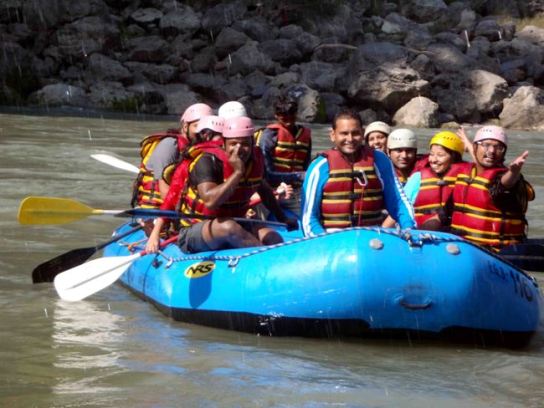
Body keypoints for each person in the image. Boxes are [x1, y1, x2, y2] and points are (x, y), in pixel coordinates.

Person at [145, 116, 297, 254]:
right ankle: (264, 260)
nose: (238, 150)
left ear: (252, 143)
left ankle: (271, 261)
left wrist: (282, 218)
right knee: (228, 227)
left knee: (272, 237)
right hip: (194, 229)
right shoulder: (207, 162)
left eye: (244, 144)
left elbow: (262, 188)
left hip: (237, 222)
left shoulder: (255, 160)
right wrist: (237, 173)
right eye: (233, 144)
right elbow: (210, 202)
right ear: (224, 143)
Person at [301, 109, 415, 237]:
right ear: (333, 135)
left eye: (355, 133)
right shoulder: (319, 167)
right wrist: (321, 243)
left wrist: (408, 228)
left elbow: (398, 202)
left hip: (373, 239)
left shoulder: (380, 160)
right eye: (344, 133)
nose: (350, 139)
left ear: (362, 133)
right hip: (331, 241)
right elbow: (308, 217)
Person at [450, 125, 535, 249]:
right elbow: (480, 158)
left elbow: (503, 185)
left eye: (498, 147)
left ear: (504, 152)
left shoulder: (502, 176)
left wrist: (513, 172)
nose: (491, 151)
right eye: (486, 145)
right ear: (475, 147)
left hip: (496, 252)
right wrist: (467, 142)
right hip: (463, 245)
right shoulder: (468, 172)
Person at [131, 103, 213, 208]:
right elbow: (164, 191)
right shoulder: (169, 145)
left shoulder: (196, 150)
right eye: (197, 126)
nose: (203, 133)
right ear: (185, 126)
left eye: (206, 129)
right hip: (155, 210)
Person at [395, 131, 466, 230]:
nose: (433, 160)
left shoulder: (465, 179)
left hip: (454, 238)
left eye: (440, 155)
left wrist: (470, 147)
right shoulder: (418, 178)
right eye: (431, 154)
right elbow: (399, 209)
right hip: (421, 236)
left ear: (454, 157)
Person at [255, 95, 312, 213]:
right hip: (274, 190)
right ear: (276, 116)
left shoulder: (305, 135)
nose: (289, 123)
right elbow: (266, 173)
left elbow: (306, 165)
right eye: (284, 119)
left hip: (298, 190)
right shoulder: (269, 135)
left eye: (292, 117)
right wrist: (299, 176)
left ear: (296, 114)